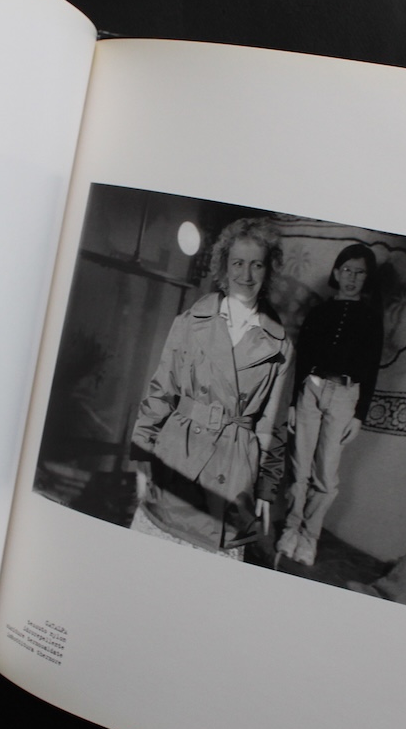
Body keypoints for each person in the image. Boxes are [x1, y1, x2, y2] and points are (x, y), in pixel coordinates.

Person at [130, 216, 294, 560]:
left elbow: (273, 426)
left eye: (257, 265)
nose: (246, 275)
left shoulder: (280, 345)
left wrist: (265, 490)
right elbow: (161, 391)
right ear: (224, 265)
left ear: (268, 270)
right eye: (238, 263)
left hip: (234, 470)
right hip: (178, 453)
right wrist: (142, 453)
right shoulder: (189, 323)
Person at [276, 243, 384, 567]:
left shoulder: (371, 319)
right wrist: (293, 403)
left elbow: (372, 368)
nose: (351, 277)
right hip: (310, 391)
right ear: (337, 272)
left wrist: (359, 415)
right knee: (299, 468)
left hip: (345, 397)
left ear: (366, 277)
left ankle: (309, 538)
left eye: (359, 272)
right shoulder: (319, 313)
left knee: (325, 475)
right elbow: (303, 359)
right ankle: (291, 530)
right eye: (346, 270)